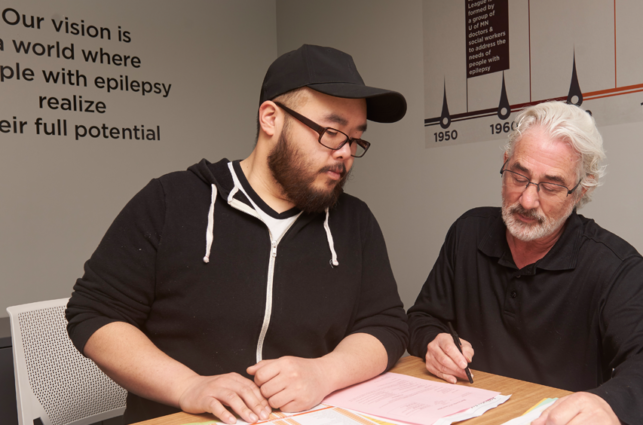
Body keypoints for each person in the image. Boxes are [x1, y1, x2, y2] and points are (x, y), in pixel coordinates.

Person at [66, 44, 409, 424]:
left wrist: (324, 373)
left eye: (356, 139)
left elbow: (386, 324)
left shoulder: (354, 221)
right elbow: (95, 314)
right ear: (270, 118)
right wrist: (188, 387)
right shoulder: (171, 201)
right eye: (331, 132)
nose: (345, 152)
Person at [408, 102, 643, 425]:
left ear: (581, 189)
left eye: (551, 186)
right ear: (505, 164)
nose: (527, 200)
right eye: (518, 176)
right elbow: (423, 316)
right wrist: (433, 341)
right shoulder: (468, 232)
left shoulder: (616, 266)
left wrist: (609, 403)